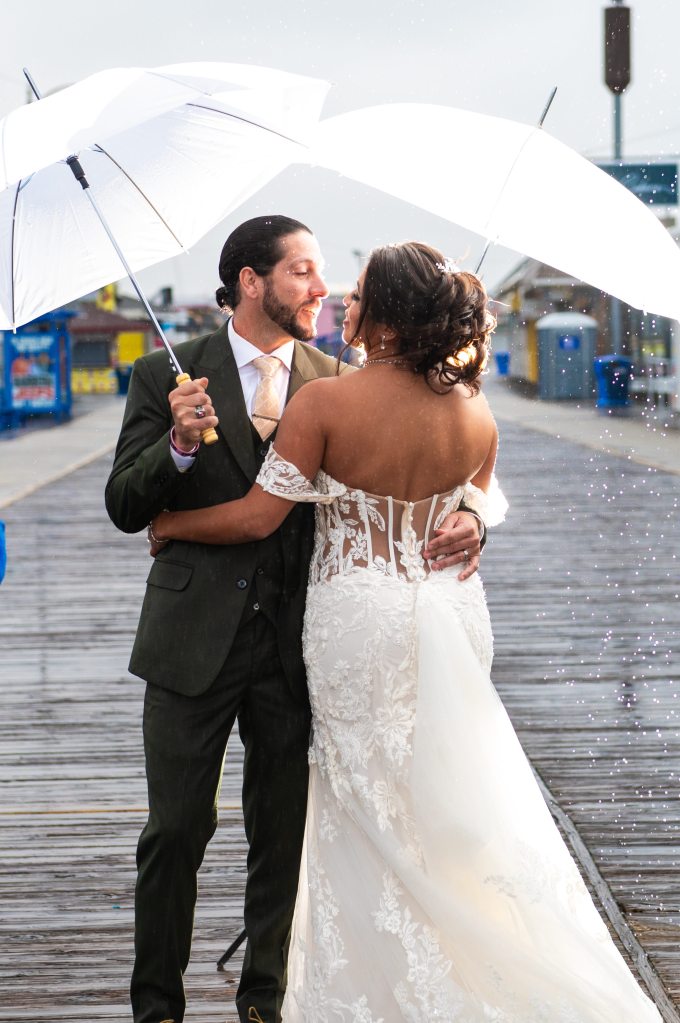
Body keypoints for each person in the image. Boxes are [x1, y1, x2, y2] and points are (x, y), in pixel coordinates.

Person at [150, 241, 663, 1023]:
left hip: (359, 622)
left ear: (386, 318)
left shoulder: (324, 404)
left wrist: (171, 524)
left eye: (357, 296)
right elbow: (477, 501)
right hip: (448, 612)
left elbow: (258, 517)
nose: (342, 304)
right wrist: (472, 519)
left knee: (363, 798)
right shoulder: (477, 411)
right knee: (443, 794)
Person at [105, 217, 484, 1023]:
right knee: (174, 829)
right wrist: (178, 446)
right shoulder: (163, 372)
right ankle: (156, 1006)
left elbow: (436, 460)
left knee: (284, 833)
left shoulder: (337, 380)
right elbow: (123, 504)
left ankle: (264, 1000)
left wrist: (476, 514)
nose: (322, 288)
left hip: (299, 642)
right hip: (190, 638)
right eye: (303, 271)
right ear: (251, 281)